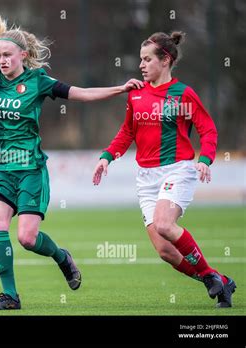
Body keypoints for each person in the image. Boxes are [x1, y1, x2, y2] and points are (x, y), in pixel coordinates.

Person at [0, 9, 143, 310]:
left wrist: (120, 89)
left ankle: (61, 257)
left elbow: (82, 93)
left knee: (27, 237)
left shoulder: (39, 81)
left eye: (7, 55)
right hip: (0, 169)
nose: (2, 60)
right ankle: (10, 296)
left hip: (30, 171)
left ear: (22, 55)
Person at [92, 31, 236, 308]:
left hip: (177, 169)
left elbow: (208, 129)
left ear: (165, 60)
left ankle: (208, 276)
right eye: (141, 59)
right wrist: (107, 156)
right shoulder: (136, 95)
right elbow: (127, 132)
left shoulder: (183, 94)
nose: (141, 65)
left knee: (164, 224)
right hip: (146, 178)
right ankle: (219, 280)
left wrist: (205, 159)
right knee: (166, 251)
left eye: (147, 59)